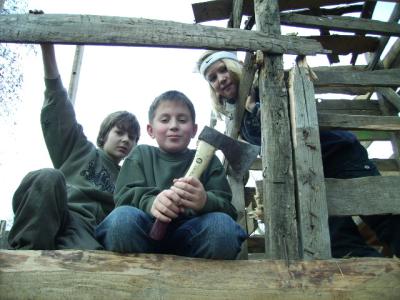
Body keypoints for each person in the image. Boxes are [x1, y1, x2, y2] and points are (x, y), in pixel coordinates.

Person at [196, 50, 400, 258]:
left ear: (237, 66)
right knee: (336, 237)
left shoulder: (269, 81)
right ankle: (375, 279)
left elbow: (293, 116)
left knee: (382, 215)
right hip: (308, 171)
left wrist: (256, 107)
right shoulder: (235, 114)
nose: (220, 79)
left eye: (223, 70)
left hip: (337, 154)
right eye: (212, 78)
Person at [7, 43, 141, 250]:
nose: (125, 140)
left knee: (88, 255)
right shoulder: (79, 150)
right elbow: (60, 106)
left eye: (132, 137)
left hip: (85, 232)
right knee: (47, 176)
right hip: (53, 213)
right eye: (119, 132)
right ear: (104, 134)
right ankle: (25, 255)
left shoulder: (128, 179)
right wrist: (47, 48)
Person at [96, 90, 247, 259]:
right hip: (144, 234)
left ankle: (198, 282)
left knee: (222, 227)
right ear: (150, 129)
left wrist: (204, 201)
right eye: (165, 120)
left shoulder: (210, 162)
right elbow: (123, 196)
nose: (174, 125)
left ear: (194, 130)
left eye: (182, 120)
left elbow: (228, 209)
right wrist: (152, 202)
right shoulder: (140, 154)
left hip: (193, 236)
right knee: (121, 220)